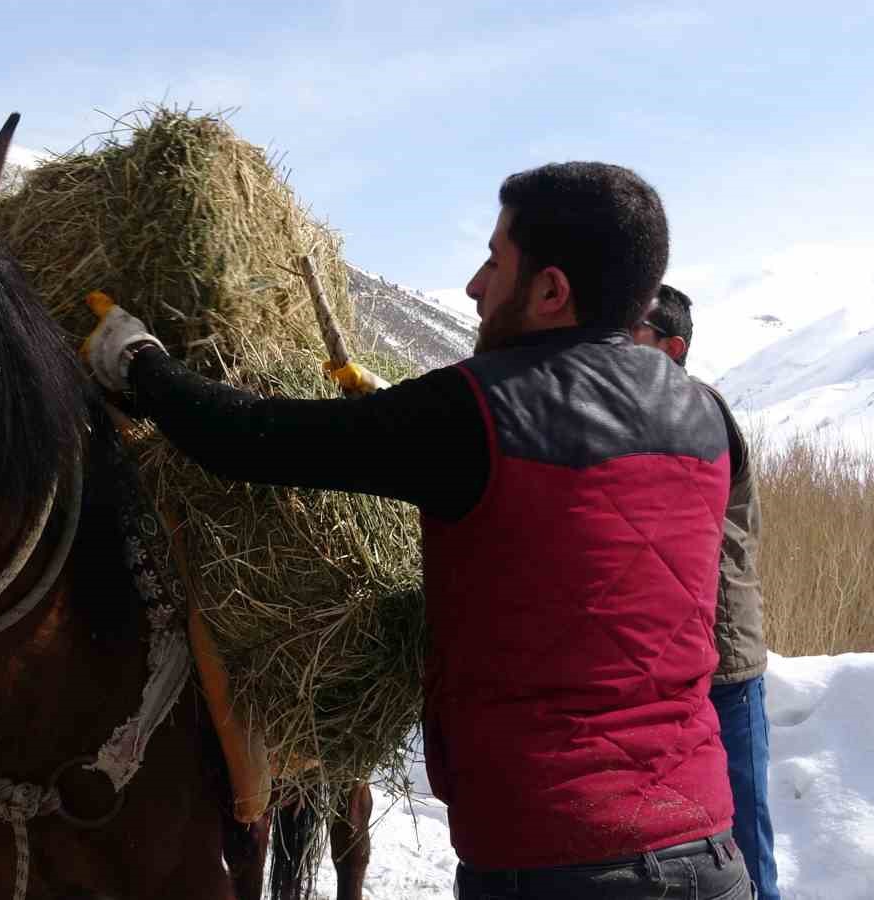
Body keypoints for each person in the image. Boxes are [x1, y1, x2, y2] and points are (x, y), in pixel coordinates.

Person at [82, 161, 752, 899]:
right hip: (708, 855)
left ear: (551, 291)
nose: (473, 286)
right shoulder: (708, 418)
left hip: (556, 863)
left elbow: (251, 439)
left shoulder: (482, 411)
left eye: (495, 262)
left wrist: (142, 364)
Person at [634, 284, 780, 899]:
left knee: (743, 835)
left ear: (673, 347)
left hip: (725, 664)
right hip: (676, 664)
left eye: (633, 334)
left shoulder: (698, 411)